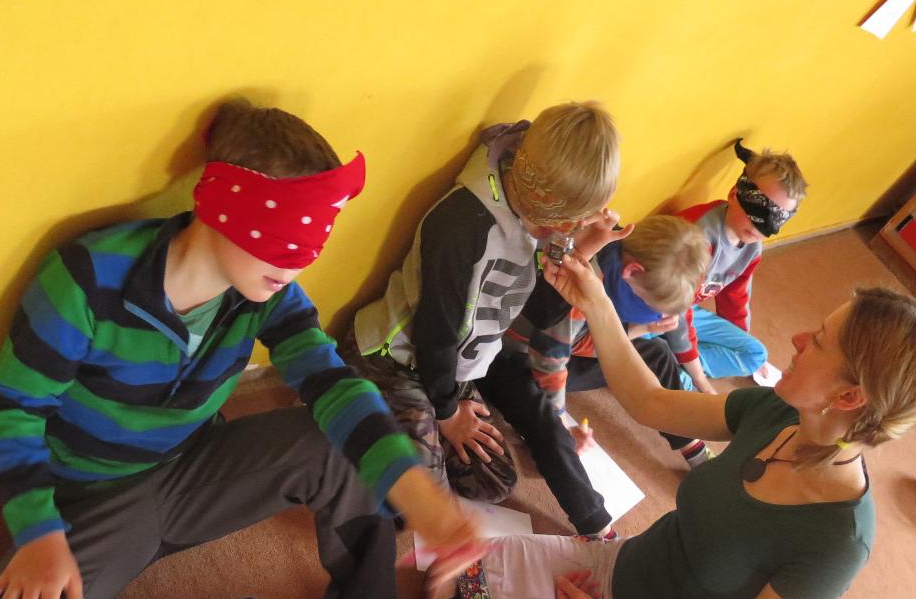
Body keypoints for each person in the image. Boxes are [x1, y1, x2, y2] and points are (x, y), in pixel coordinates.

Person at [0, 98, 482, 599]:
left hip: (192, 470)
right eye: (282, 244)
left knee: (346, 442)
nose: (295, 268)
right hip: (92, 500)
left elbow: (334, 387)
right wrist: (38, 533)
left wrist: (422, 500)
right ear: (223, 208)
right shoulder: (88, 278)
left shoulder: (268, 294)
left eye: (308, 250)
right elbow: (13, 407)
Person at [425, 252, 916, 599]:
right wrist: (595, 300)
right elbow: (650, 402)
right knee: (446, 582)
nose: (798, 340)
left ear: (848, 398)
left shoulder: (839, 538)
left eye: (818, 342)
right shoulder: (778, 411)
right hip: (621, 566)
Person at [345, 102, 620, 537]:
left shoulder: (538, 217)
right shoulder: (461, 222)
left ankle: (406, 430)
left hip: (456, 367)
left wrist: (580, 250)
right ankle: (350, 408)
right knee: (414, 510)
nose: (564, 232)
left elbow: (536, 312)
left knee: (494, 482)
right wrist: (447, 412)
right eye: (564, 223)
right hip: (394, 357)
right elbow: (434, 335)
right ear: (543, 201)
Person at [505, 212, 714, 469]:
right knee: (536, 402)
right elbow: (551, 360)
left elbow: (591, 336)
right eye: (648, 303)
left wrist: (643, 328)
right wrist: (561, 425)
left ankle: (691, 448)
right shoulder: (581, 279)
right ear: (632, 271)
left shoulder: (625, 254)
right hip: (522, 354)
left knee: (658, 352)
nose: (658, 315)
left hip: (565, 344)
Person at [676, 139, 808, 390]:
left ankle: (677, 364)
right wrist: (695, 371)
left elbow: (735, 298)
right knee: (685, 383)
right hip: (654, 312)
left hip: (687, 312)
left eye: (775, 221)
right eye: (758, 211)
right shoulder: (697, 238)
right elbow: (673, 306)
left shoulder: (751, 249)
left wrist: (738, 338)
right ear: (735, 194)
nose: (760, 228)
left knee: (755, 354)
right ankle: (675, 364)